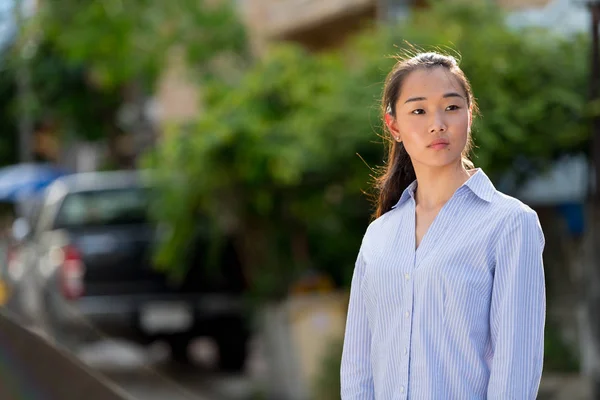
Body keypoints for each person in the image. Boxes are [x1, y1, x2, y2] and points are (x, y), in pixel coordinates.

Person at [340, 52, 545, 399]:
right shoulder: (379, 234)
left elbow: (516, 367)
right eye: (418, 111)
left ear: (469, 113)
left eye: (451, 107)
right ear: (395, 127)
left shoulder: (510, 224)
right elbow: (357, 365)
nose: (437, 123)